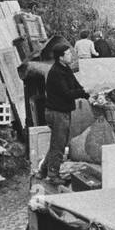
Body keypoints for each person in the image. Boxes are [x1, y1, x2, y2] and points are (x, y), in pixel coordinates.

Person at [42, 40, 89, 185]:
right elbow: (67, 93)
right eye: (68, 54)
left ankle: (43, 171)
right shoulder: (56, 72)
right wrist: (82, 92)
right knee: (59, 145)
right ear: (61, 57)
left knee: (56, 143)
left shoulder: (66, 69)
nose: (70, 56)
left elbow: (75, 85)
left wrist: (87, 95)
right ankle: (52, 175)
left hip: (62, 111)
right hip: (56, 113)